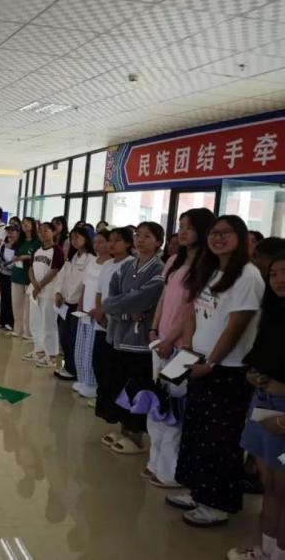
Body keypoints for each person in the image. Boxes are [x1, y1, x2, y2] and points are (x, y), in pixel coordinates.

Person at [168, 215, 265, 528]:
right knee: (196, 434)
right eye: (214, 233)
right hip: (199, 363)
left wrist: (210, 363)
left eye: (226, 233)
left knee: (220, 440)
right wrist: (189, 351)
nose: (218, 238)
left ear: (241, 238)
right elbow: (195, 314)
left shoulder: (248, 276)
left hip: (227, 370)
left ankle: (218, 503)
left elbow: (237, 326)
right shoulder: (210, 271)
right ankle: (199, 491)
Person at [145, 208, 215, 489]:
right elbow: (164, 298)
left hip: (183, 347)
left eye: (189, 227)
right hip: (160, 340)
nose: (182, 232)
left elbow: (192, 311)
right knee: (158, 402)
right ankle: (154, 462)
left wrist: (169, 339)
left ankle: (170, 471)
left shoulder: (207, 268)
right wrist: (154, 329)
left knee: (175, 407)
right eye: (181, 225)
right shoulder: (174, 260)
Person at [228, 252, 285, 560]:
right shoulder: (274, 314)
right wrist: (252, 374)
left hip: (282, 412)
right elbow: (261, 356)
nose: (279, 280)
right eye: (274, 273)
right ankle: (267, 550)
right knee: (270, 485)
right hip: (263, 404)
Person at [101, 222, 165, 455]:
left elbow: (143, 299)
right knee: (120, 386)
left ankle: (136, 436)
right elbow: (110, 300)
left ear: (158, 242)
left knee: (138, 388)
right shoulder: (127, 266)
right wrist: (126, 312)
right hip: (120, 336)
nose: (140, 240)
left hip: (140, 342)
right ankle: (123, 429)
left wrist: (122, 305)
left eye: (147, 236)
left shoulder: (159, 269)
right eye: (138, 235)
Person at [94, 227, 135, 418]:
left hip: (118, 324)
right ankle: (103, 406)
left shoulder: (130, 264)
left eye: (117, 240)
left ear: (127, 243)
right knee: (99, 364)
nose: (112, 244)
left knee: (114, 369)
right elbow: (99, 292)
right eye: (110, 240)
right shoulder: (108, 263)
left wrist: (106, 312)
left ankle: (114, 412)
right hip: (102, 322)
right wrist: (99, 313)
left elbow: (125, 296)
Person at [72, 229, 111, 398]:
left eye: (101, 242)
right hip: (85, 311)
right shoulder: (93, 261)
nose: (97, 245)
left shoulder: (111, 264)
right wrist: (80, 303)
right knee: (80, 348)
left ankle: (92, 384)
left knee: (91, 350)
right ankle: (82, 379)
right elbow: (85, 284)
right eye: (95, 242)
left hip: (98, 313)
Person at [54, 226, 95, 380]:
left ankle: (73, 369)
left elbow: (84, 283)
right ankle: (68, 366)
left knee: (74, 338)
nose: (74, 241)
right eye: (72, 238)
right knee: (64, 336)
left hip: (78, 304)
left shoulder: (91, 259)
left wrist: (74, 299)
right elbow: (62, 276)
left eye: (77, 237)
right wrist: (58, 292)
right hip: (65, 303)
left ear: (86, 239)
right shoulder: (72, 257)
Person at [26, 222, 64, 368]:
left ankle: (52, 356)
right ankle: (40, 351)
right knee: (35, 323)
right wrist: (35, 284)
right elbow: (30, 268)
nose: (42, 233)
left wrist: (40, 285)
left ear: (53, 232)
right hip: (35, 291)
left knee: (49, 324)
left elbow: (54, 270)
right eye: (40, 231)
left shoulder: (57, 250)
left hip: (48, 292)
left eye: (46, 231)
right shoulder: (37, 249)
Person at [10, 217, 40, 340]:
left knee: (28, 306)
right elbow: (14, 254)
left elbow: (37, 257)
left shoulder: (37, 242)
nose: (25, 225)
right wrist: (15, 257)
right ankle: (17, 329)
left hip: (29, 277)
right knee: (17, 305)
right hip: (17, 274)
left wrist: (26, 257)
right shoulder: (20, 241)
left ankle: (28, 332)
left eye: (27, 223)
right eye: (23, 224)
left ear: (33, 225)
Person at [0, 225, 19, 330]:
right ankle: (2, 320)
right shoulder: (5, 244)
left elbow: (17, 260)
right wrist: (3, 264)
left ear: (17, 232)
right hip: (3, 274)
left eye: (12, 231)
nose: (10, 233)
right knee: (3, 298)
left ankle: (10, 322)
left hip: (13, 275)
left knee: (11, 299)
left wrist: (8, 265)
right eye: (8, 231)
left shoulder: (19, 245)